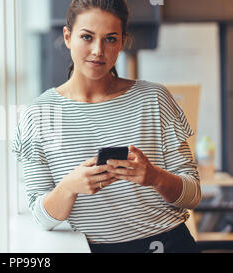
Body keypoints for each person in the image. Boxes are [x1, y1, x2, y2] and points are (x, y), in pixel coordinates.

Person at [12, 0, 201, 253]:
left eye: (110, 39)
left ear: (122, 41)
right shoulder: (38, 114)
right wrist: (69, 187)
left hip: (169, 245)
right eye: (87, 37)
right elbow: (41, 217)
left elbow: (193, 195)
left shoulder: (155, 98)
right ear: (68, 37)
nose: (98, 50)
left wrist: (155, 177)